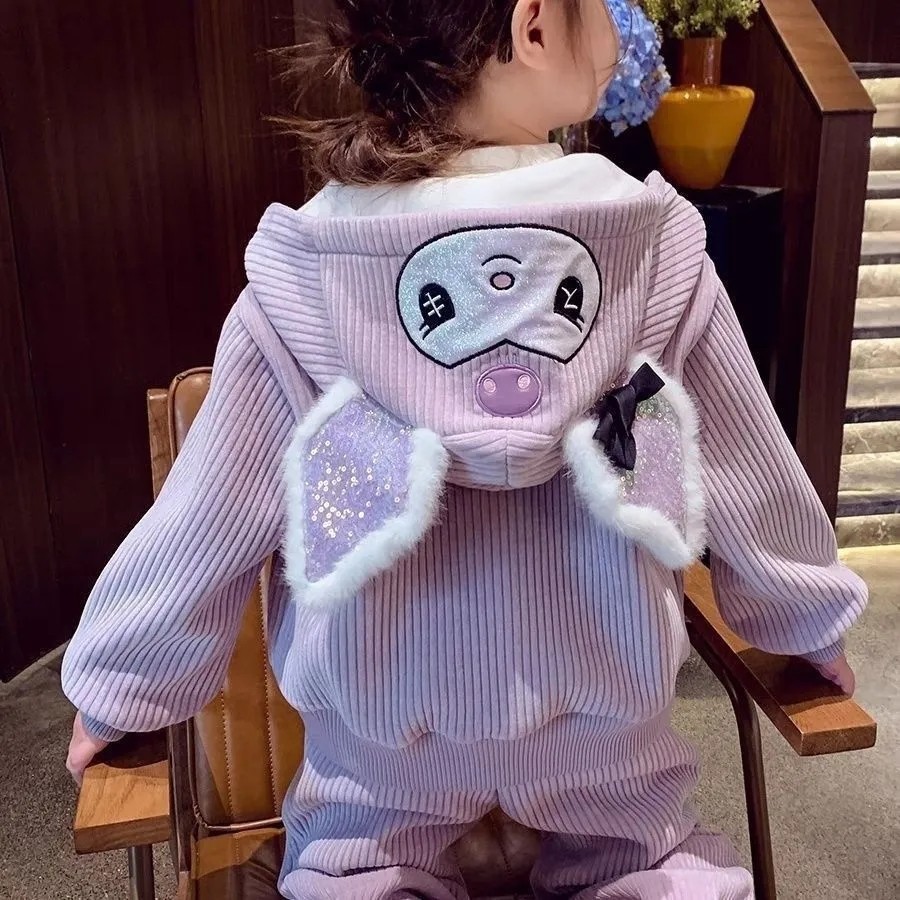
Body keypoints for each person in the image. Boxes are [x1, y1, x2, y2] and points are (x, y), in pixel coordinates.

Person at [63, 1, 866, 896]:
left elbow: (209, 514)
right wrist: (807, 620)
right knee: (655, 861)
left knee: (351, 870)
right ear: (534, 26)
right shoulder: (654, 251)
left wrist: (119, 684)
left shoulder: (307, 271)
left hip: (378, 749)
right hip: (606, 735)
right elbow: (752, 472)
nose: (617, 29)